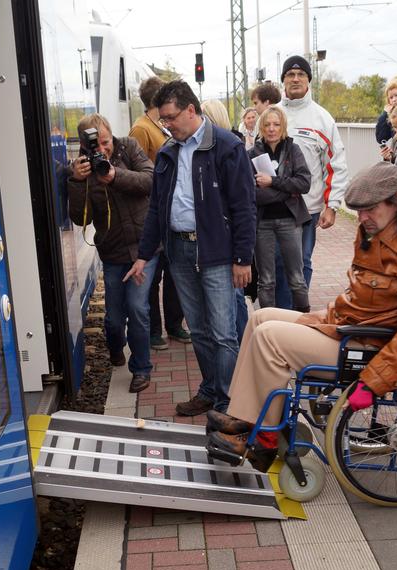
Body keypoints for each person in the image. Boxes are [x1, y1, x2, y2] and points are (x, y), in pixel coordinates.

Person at [205, 163, 397, 467]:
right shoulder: (379, 228)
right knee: (260, 318)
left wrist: (373, 383)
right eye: (358, 211)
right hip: (348, 325)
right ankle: (243, 417)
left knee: (270, 339)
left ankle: (265, 438)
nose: (361, 218)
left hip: (368, 345)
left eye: (369, 210)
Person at [126, 80, 256, 416]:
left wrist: (243, 258)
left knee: (224, 333)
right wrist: (143, 255)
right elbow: (157, 208)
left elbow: (244, 207)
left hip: (217, 254)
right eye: (162, 119)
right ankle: (211, 390)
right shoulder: (169, 151)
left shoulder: (227, 146)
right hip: (180, 253)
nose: (166, 124)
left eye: (170, 117)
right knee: (198, 330)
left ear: (190, 110)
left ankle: (228, 404)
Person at [67, 113, 156, 393]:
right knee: (115, 318)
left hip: (144, 247)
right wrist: (77, 182)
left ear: (110, 134)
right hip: (114, 251)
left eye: (105, 142)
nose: (102, 149)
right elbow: (81, 220)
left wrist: (115, 175)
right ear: (84, 145)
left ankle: (141, 368)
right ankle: (115, 345)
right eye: (95, 145)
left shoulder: (128, 147)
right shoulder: (83, 168)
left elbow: (150, 180)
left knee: (138, 309)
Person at [279, 55, 349, 295]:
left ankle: (297, 313)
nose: (295, 79)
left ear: (309, 80)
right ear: (283, 81)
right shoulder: (270, 115)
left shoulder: (322, 118)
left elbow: (335, 165)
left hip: (307, 208)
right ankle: (277, 313)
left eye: (301, 75)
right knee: (276, 265)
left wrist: (332, 206)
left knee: (302, 262)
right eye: (290, 74)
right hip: (272, 207)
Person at [128, 76, 188, 351]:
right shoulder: (140, 130)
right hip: (154, 212)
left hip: (171, 212)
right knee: (152, 280)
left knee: (174, 275)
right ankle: (154, 329)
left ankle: (174, 324)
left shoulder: (157, 127)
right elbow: (137, 173)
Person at [249, 106, 310, 311]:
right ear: (261, 127)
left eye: (276, 124)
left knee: (296, 278)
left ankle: (303, 321)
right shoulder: (251, 154)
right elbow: (250, 193)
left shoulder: (293, 150)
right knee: (266, 280)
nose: (272, 129)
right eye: (267, 124)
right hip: (263, 223)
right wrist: (286, 190)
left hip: (289, 221)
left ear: (283, 126)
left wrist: (272, 182)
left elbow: (303, 183)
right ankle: (269, 324)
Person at [200, 99, 249, 340]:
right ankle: (243, 340)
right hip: (226, 233)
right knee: (234, 295)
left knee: (235, 295)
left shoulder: (230, 146)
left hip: (229, 232)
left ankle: (243, 341)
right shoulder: (230, 143)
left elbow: (243, 202)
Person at [375, 79, 397, 145]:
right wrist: (385, 114)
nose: (394, 99)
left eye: (396, 95)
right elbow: (381, 138)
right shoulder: (391, 116)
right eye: (391, 98)